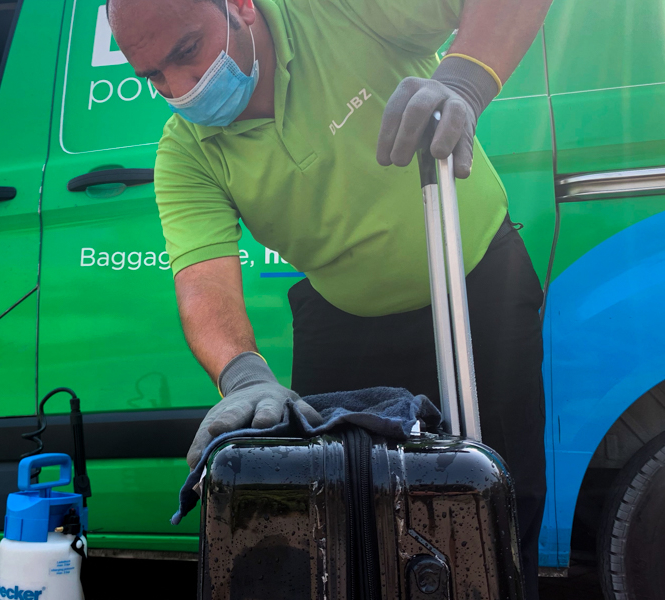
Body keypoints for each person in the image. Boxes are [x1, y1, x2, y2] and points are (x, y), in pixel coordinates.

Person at [107, 0, 550, 596]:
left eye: (186, 52)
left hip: (474, 282)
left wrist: (466, 79)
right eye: (153, 76)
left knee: (498, 498)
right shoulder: (187, 151)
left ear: (240, 6)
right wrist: (243, 376)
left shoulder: (335, 10)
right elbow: (202, 280)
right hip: (343, 316)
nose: (180, 89)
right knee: (334, 508)